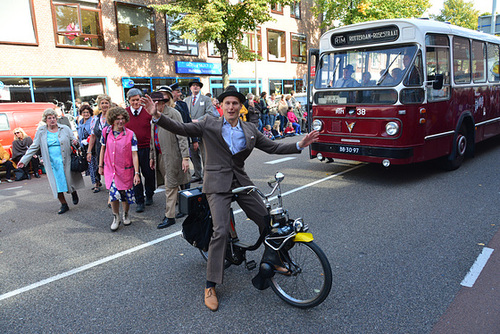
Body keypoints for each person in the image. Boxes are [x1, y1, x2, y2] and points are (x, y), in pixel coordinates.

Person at [140, 85, 319, 312]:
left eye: (235, 103)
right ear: (221, 106)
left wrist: (298, 144)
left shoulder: (250, 129)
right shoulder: (208, 123)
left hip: (241, 181)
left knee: (269, 221)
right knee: (221, 230)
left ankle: (275, 260)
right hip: (216, 183)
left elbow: (272, 147)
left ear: (240, 106)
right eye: (227, 103)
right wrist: (156, 116)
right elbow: (181, 128)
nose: (232, 107)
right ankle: (210, 284)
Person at [18, 108, 84, 214]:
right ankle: (64, 204)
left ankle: (73, 191)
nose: (52, 120)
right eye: (49, 118)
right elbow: (34, 147)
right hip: (51, 162)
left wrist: (76, 142)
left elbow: (73, 140)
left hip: (65, 159)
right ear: (46, 120)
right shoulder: (41, 131)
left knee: (68, 179)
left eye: (54, 117)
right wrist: (24, 160)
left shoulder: (65, 128)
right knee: (56, 184)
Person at [149, 91, 190, 229]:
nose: (153, 105)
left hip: (173, 155)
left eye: (156, 103)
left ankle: (169, 216)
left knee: (170, 186)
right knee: (174, 184)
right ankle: (185, 208)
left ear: (162, 103)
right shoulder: (153, 116)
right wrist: (152, 157)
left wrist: (185, 157)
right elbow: (152, 139)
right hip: (161, 155)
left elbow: (182, 135)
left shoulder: (173, 113)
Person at [99, 106, 141, 231]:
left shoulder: (130, 135)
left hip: (125, 170)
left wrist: (137, 173)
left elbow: (135, 154)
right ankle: (116, 217)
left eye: (123, 118)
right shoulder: (106, 132)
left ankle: (126, 213)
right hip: (110, 171)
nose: (120, 121)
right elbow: (102, 149)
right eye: (117, 119)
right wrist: (100, 166)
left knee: (125, 194)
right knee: (113, 195)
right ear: (112, 119)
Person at [125, 88, 156, 213]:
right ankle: (139, 201)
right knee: (135, 175)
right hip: (132, 150)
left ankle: (149, 194)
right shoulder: (125, 113)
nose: (136, 102)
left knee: (149, 173)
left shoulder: (148, 112)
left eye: (137, 100)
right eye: (133, 100)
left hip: (147, 148)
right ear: (129, 101)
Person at [184, 80, 217, 183]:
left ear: (200, 88)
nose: (195, 87)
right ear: (190, 88)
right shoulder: (186, 100)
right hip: (191, 130)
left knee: (204, 154)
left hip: (203, 129)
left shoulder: (206, 99)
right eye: (193, 86)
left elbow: (210, 113)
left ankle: (207, 176)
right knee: (193, 154)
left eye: (197, 86)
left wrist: (198, 120)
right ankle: (198, 174)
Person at [169, 83, 197, 192]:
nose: (180, 94)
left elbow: (189, 123)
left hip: (183, 140)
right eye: (178, 92)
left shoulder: (182, 105)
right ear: (171, 93)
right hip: (171, 142)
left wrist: (194, 140)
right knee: (174, 167)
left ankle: (186, 193)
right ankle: (177, 192)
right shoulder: (166, 106)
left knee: (186, 168)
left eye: (180, 91)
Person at [86, 94, 111, 193]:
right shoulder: (95, 119)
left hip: (111, 147)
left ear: (109, 104)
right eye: (102, 103)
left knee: (110, 167)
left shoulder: (113, 117)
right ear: (99, 105)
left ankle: (112, 188)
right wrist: (89, 151)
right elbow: (93, 136)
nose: (104, 105)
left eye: (106, 103)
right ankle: (100, 183)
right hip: (99, 147)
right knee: (100, 167)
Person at [76, 105, 93, 180]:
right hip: (83, 146)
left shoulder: (92, 121)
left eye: (87, 112)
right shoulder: (81, 122)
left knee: (92, 164)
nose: (86, 114)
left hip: (91, 145)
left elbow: (93, 134)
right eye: (84, 112)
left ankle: (96, 183)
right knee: (87, 163)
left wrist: (87, 140)